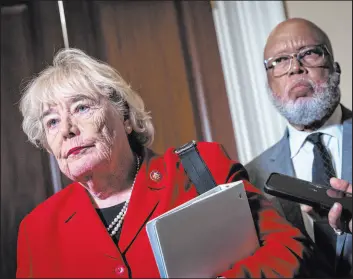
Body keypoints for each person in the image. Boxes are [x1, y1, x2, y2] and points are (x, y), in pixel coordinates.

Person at [16, 48, 315, 278]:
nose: (67, 130)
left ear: (125, 116)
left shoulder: (199, 168)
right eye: (52, 122)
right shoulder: (37, 231)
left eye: (81, 107)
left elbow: (289, 247)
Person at [246, 18, 352, 277]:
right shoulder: (250, 177)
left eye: (310, 53)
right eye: (280, 61)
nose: (296, 68)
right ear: (270, 85)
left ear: (335, 70)